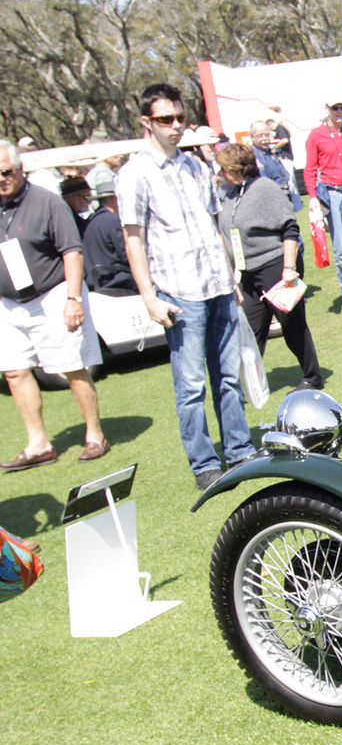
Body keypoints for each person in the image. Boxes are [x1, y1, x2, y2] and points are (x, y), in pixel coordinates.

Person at [118, 82, 255, 488]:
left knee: (229, 377)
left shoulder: (197, 166)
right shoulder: (135, 173)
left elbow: (216, 225)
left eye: (180, 117)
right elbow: (133, 238)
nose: (175, 126)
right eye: (165, 119)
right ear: (147, 122)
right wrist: (149, 297)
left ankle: (241, 451)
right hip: (178, 292)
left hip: (216, 284)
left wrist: (231, 273)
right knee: (191, 384)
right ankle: (204, 464)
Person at [0, 141, 109, 469]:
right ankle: (38, 444)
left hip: (52, 294)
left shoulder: (48, 202)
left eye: (5, 172)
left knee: (72, 367)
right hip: (9, 302)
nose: (0, 179)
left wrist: (73, 299)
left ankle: (95, 436)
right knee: (15, 371)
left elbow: (72, 252)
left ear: (20, 169)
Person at [213, 144, 324, 391]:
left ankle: (312, 377)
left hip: (275, 266)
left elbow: (290, 229)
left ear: (238, 169)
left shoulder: (265, 188)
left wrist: (288, 266)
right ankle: (248, 383)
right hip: (246, 272)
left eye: (224, 168)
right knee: (251, 331)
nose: (220, 173)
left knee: (292, 325)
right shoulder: (229, 193)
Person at [303, 97, 342, 309]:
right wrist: (312, 195)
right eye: (335, 107)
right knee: (341, 247)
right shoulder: (317, 135)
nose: (339, 111)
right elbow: (310, 168)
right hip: (334, 194)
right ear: (327, 109)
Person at [77, 177, 133, 291]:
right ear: (114, 199)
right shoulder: (113, 220)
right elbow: (127, 255)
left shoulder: (91, 220)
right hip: (115, 280)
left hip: (96, 280)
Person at [249, 120, 302, 210]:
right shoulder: (252, 155)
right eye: (259, 135)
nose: (264, 138)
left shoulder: (271, 153)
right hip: (271, 204)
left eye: (267, 135)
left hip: (284, 200)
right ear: (252, 137)